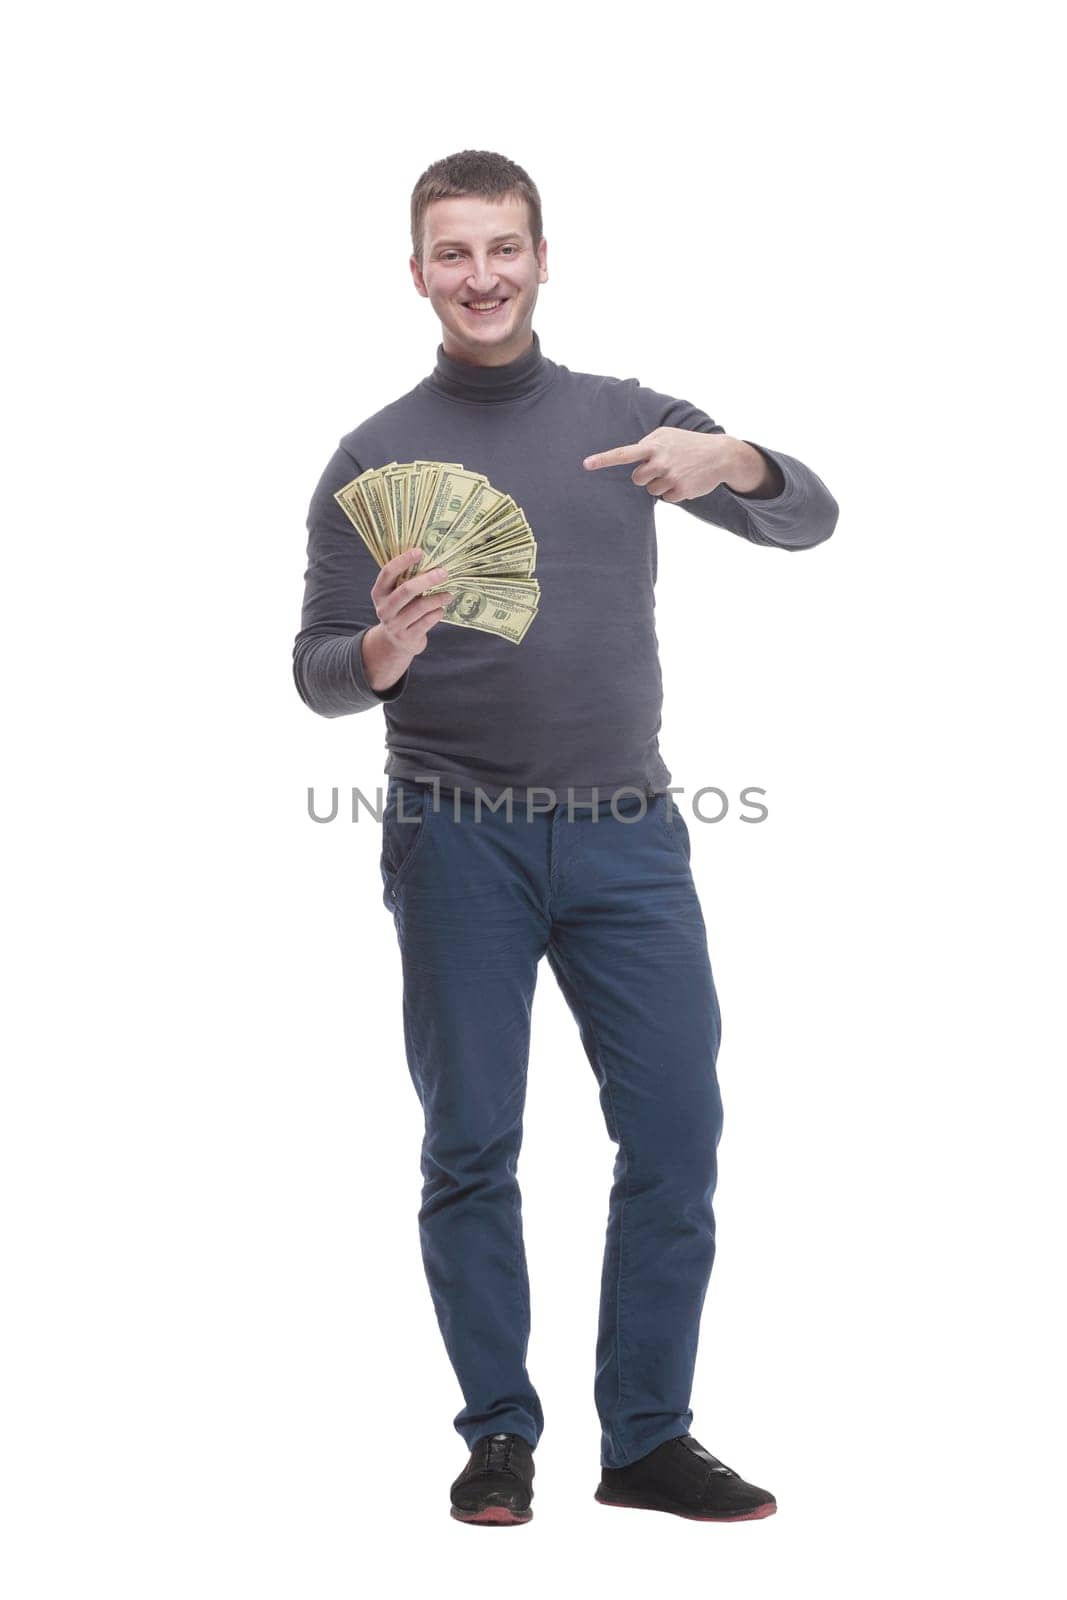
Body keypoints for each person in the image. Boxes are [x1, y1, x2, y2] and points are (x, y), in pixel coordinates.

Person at [292, 149, 838, 1526]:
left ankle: (646, 1439)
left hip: (629, 838)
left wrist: (746, 459)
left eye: (504, 249)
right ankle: (498, 1437)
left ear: (544, 258)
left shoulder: (633, 422)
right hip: (452, 836)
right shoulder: (373, 455)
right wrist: (381, 652)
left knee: (676, 1130)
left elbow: (806, 522)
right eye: (453, 253)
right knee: (471, 1143)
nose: (481, 276)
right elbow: (312, 670)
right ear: (417, 271)